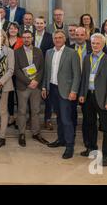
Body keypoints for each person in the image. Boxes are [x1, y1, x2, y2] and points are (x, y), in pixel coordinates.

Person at [78, 33, 107, 166]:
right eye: (93, 43)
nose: (95, 45)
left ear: (103, 45)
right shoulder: (87, 58)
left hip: (103, 98)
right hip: (89, 96)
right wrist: (82, 94)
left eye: (98, 43)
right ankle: (91, 147)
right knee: (89, 124)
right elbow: (84, 78)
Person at [43, 30, 81, 159]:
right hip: (52, 89)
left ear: (64, 39)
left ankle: (70, 145)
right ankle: (61, 139)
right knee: (59, 117)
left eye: (60, 37)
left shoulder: (72, 53)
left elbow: (77, 75)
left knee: (66, 119)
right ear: (53, 39)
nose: (57, 39)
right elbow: (47, 72)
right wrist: (44, 87)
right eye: (55, 38)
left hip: (66, 91)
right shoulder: (49, 52)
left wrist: (74, 91)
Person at [14, 30, 49, 147]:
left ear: (32, 38)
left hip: (36, 86)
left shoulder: (39, 52)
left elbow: (42, 69)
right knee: (22, 111)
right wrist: (29, 82)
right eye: (24, 37)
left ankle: (36, 133)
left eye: (28, 37)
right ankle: (22, 133)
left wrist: (36, 81)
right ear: (21, 39)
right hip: (23, 86)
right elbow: (16, 70)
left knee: (35, 111)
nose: (26, 39)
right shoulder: (17, 52)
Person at [6, 22, 23, 128]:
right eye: (11, 28)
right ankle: (11, 116)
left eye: (15, 28)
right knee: (10, 96)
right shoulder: (5, 40)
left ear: (18, 30)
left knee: (19, 95)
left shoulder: (21, 41)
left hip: (19, 72)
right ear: (8, 30)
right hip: (7, 72)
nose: (13, 30)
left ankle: (19, 117)